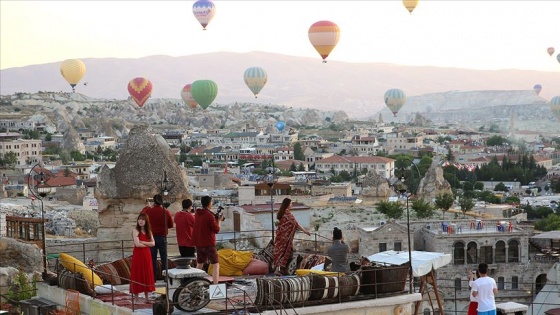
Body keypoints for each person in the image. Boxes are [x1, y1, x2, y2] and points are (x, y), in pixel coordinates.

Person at [274, 198, 310, 276]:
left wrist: (304, 231)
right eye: (290, 203)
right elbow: (296, 224)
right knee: (286, 254)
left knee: (281, 254)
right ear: (287, 204)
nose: (292, 205)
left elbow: (292, 224)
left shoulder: (282, 212)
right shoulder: (288, 214)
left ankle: (280, 270)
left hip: (280, 237)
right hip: (285, 239)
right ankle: (281, 270)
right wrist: (305, 231)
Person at [141, 194, 174, 281]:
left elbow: (142, 215)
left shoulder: (148, 211)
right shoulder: (165, 211)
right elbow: (170, 225)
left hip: (151, 237)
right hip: (163, 237)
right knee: (164, 258)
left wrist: (146, 207)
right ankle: (166, 277)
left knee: (152, 259)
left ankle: (153, 278)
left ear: (154, 201)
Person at [192, 196, 221, 284]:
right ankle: (215, 285)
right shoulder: (209, 215)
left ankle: (193, 282)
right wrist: (219, 221)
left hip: (199, 243)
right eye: (211, 202)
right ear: (209, 203)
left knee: (200, 264)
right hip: (209, 243)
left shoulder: (197, 213)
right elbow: (216, 230)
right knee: (215, 265)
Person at [130, 213, 155, 300]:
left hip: (147, 254)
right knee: (137, 273)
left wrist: (143, 242)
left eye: (143, 219)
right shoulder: (135, 230)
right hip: (138, 254)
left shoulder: (149, 231)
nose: (140, 221)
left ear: (146, 221)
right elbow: (137, 244)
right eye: (139, 219)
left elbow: (153, 243)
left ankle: (147, 297)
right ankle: (136, 297)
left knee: (147, 273)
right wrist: (147, 244)